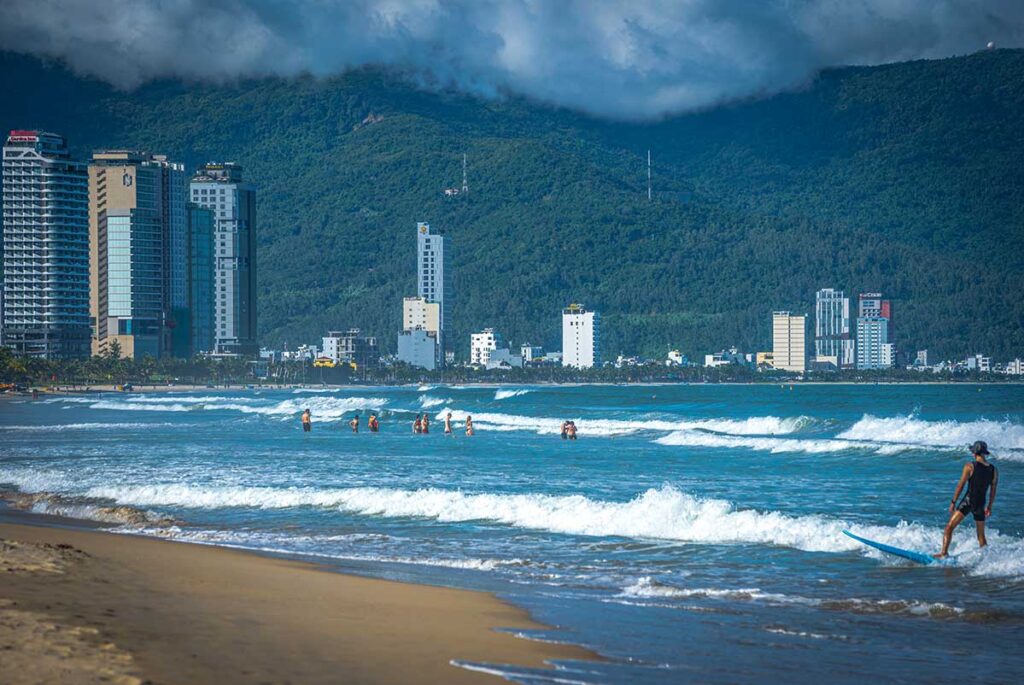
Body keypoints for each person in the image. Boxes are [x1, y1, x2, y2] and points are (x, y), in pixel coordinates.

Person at [934, 440, 999, 559]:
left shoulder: (970, 466)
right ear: (984, 453)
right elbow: (993, 490)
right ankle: (987, 560)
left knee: (949, 527)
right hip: (981, 504)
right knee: (981, 536)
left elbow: (960, 485)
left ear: (974, 453)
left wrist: (953, 502)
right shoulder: (993, 470)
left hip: (968, 501)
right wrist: (989, 506)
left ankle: (944, 553)